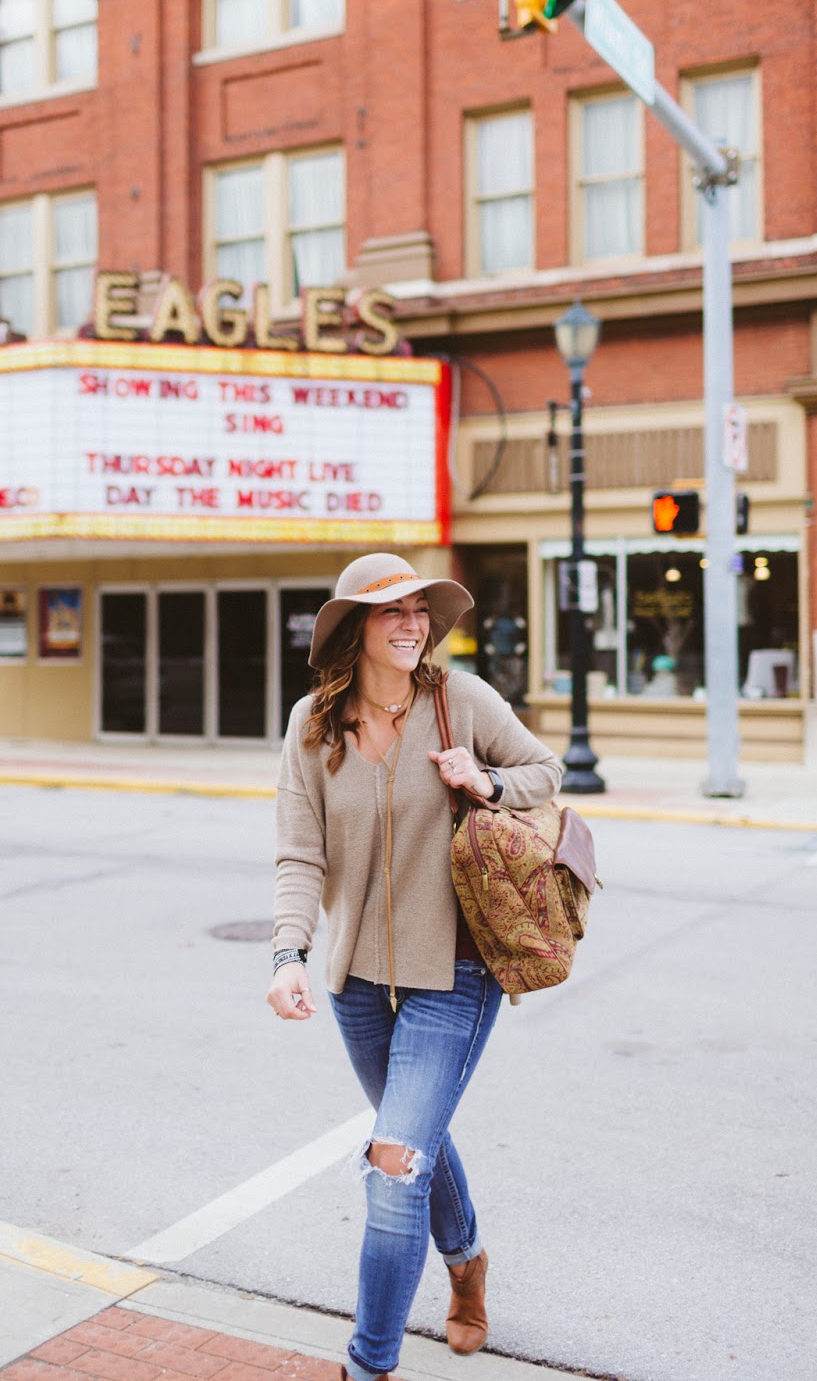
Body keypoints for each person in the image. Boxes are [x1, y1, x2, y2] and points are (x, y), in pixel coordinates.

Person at [267, 552, 563, 1379]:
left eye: (420, 609)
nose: (411, 623)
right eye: (390, 610)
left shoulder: (459, 701)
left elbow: (547, 771)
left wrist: (486, 779)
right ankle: (467, 1263)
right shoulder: (312, 726)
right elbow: (298, 855)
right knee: (415, 1139)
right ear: (354, 627)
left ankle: (367, 1366)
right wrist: (290, 953)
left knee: (394, 1166)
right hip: (357, 984)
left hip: (458, 975)